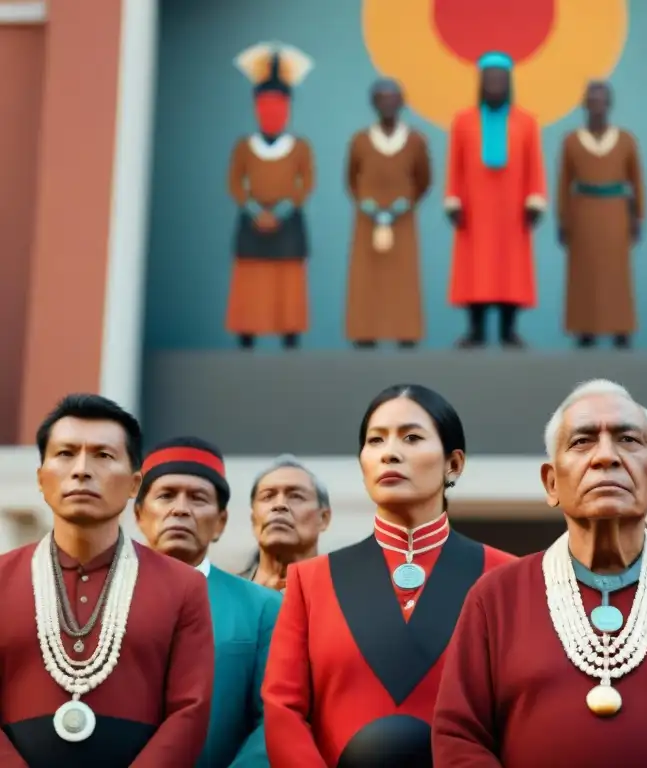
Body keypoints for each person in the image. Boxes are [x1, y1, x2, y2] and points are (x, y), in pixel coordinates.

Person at [432, 379, 647, 766]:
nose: (606, 457)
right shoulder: (497, 597)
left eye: (629, 440)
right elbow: (459, 740)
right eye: (582, 441)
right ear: (551, 482)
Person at [262, 384, 516, 766]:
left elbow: (521, 711)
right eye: (375, 440)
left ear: (454, 464)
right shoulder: (311, 582)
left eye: (412, 438)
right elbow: (283, 707)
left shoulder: (506, 577)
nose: (390, 453)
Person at [0, 394, 214, 767]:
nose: (82, 469)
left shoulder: (183, 586)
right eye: (65, 454)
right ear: (41, 478)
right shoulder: (3, 579)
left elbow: (190, 712)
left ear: (134, 485)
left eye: (103, 456)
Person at [134, 436, 281, 767]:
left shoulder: (262, 608)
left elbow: (275, 718)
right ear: (140, 515)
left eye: (198, 498)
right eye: (166, 495)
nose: (181, 508)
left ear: (220, 522)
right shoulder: (102, 598)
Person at [445, 51, 547, 349]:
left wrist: (535, 199)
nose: (495, 84)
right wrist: (453, 199)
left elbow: (534, 165)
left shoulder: (526, 122)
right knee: (475, 268)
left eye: (500, 79)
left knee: (510, 268)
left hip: (512, 207)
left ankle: (508, 329)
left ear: (509, 82)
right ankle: (475, 330)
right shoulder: (463, 121)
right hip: (475, 207)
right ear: (481, 82)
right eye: (489, 78)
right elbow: (455, 165)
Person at [227, 42, 316, 350]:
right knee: (252, 284)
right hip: (252, 223)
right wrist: (254, 209)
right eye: (265, 105)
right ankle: (247, 336)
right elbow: (235, 182)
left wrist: (282, 210)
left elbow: (307, 181)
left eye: (278, 105)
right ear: (256, 107)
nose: (272, 112)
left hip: (288, 222)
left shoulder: (300, 147)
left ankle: (290, 336)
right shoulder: (244, 146)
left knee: (287, 285)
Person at [556, 81, 644, 350]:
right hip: (582, 212)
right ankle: (585, 331)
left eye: (601, 100)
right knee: (584, 274)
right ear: (584, 105)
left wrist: (637, 215)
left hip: (616, 212)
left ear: (609, 104)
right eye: (591, 100)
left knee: (616, 274)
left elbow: (636, 181)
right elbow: (563, 183)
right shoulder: (571, 141)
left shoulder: (626, 141)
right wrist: (563, 220)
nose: (596, 105)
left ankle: (621, 330)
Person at [345, 78, 432, 349]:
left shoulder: (415, 140)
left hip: (402, 221)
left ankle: (405, 334)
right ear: (373, 103)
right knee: (366, 277)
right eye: (381, 97)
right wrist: (366, 203)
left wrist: (404, 204)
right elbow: (351, 178)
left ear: (402, 102)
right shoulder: (360, 140)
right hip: (367, 221)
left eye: (393, 97)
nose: (387, 103)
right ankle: (364, 333)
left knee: (402, 278)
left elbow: (424, 178)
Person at [244, 454, 331, 592]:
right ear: (253, 519)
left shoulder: (347, 595)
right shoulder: (221, 597)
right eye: (268, 496)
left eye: (296, 496)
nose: (280, 505)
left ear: (324, 518)